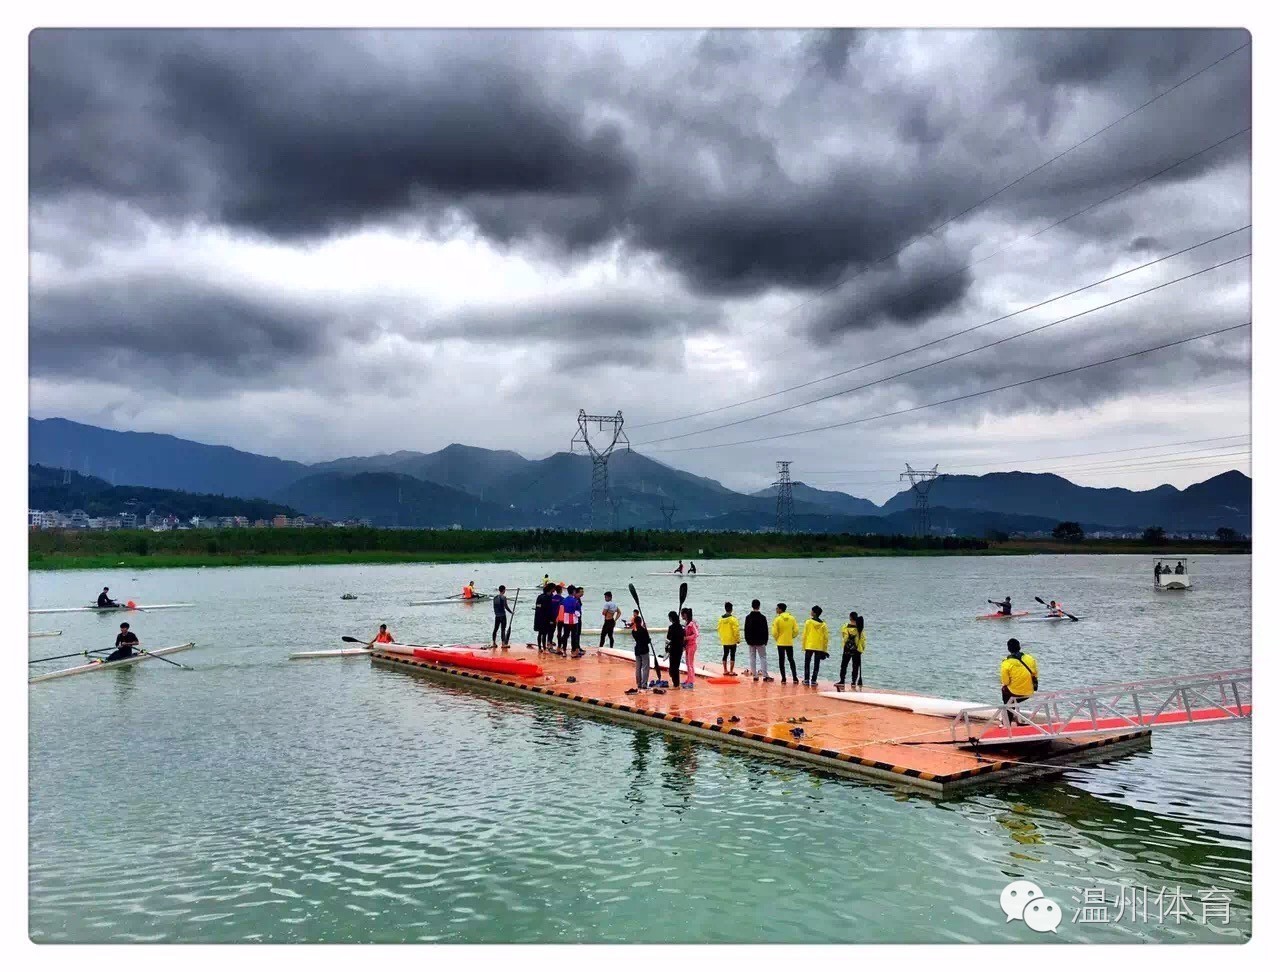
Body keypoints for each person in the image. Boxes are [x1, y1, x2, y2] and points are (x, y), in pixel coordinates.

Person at [1000, 638, 1039, 705]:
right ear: (1019, 647)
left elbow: (1005, 682)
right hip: (1029, 691)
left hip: (1015, 693)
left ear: (1008, 649)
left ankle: (1009, 713)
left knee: (1005, 690)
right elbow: (1035, 674)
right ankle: (1012, 710)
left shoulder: (1006, 663)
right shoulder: (1030, 658)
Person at [743, 599, 772, 682]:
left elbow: (746, 629)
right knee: (763, 657)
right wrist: (765, 640)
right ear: (759, 606)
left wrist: (747, 640)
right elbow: (766, 630)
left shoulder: (748, 617)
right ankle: (765, 675)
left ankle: (755, 675)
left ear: (752, 606)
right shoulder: (763, 617)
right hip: (760, 641)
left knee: (752, 658)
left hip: (751, 641)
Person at [801, 605, 829, 686]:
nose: (811, 612)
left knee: (807, 663)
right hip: (819, 646)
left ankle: (806, 679)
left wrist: (804, 646)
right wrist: (824, 649)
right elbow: (826, 638)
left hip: (809, 645)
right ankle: (814, 680)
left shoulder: (808, 622)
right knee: (817, 663)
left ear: (814, 613)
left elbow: (805, 635)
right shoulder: (823, 624)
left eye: (812, 611)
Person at [772, 603, 800, 684]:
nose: (776, 610)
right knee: (791, 659)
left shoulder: (777, 619)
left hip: (780, 643)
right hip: (789, 642)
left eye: (777, 608)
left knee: (781, 660)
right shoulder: (792, 618)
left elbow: (774, 632)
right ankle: (795, 677)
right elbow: (796, 630)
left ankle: (783, 678)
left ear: (780, 609)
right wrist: (792, 636)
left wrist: (777, 638)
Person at [626, 611, 653, 695]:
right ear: (640, 622)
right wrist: (645, 629)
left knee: (638, 668)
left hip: (637, 650)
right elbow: (647, 640)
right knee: (645, 668)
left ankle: (639, 684)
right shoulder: (643, 630)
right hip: (644, 650)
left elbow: (640, 637)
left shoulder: (634, 632)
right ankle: (644, 684)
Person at [836, 613, 865, 689]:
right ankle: (853, 682)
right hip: (857, 649)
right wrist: (862, 649)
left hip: (847, 649)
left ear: (850, 618)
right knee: (855, 666)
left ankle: (842, 681)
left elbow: (844, 637)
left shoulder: (845, 627)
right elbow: (862, 640)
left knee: (844, 665)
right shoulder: (860, 628)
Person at [717, 602, 740, 675]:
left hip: (724, 640)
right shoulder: (733, 619)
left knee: (725, 654)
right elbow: (736, 631)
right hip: (732, 640)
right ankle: (731, 671)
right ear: (731, 609)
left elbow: (718, 629)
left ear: (725, 609)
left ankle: (725, 670)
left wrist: (722, 637)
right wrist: (738, 639)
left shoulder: (720, 619)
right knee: (732, 655)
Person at [664, 611, 685, 688]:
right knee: (676, 667)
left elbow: (668, 638)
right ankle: (676, 684)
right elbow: (683, 638)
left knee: (673, 667)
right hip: (679, 649)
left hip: (673, 649)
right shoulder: (681, 627)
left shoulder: (671, 628)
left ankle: (676, 685)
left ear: (671, 618)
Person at [680, 607, 699, 688]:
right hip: (688, 645)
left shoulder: (691, 623)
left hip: (692, 645)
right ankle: (688, 680)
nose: (681, 616)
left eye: (682, 614)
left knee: (690, 664)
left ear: (685, 614)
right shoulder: (687, 623)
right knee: (688, 664)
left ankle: (691, 682)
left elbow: (696, 634)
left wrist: (686, 638)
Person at [562, 585, 583, 656]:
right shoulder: (575, 601)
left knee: (565, 635)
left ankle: (564, 651)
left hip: (566, 620)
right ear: (574, 591)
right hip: (574, 621)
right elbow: (578, 613)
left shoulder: (564, 600)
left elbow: (561, 610)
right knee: (574, 636)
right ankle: (573, 652)